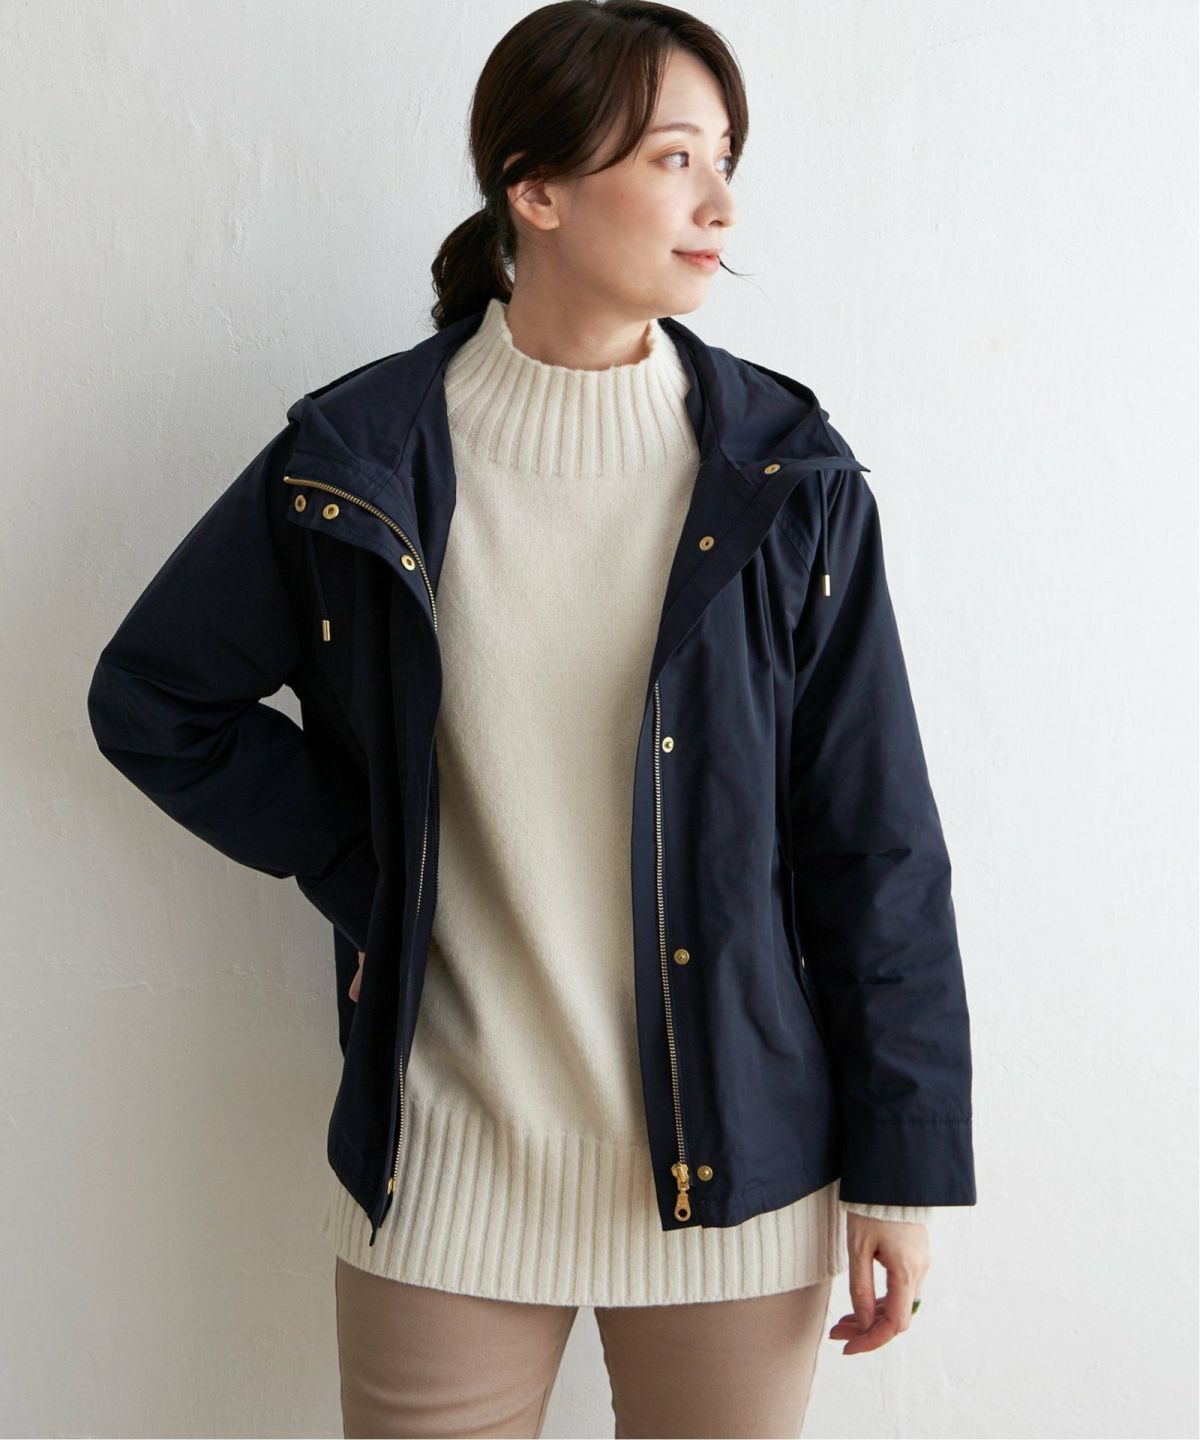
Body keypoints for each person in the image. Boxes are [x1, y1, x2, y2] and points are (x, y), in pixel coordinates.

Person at [87, 3, 976, 1436]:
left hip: (738, 1179)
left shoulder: (789, 479)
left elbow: (873, 843)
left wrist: (904, 1167)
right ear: (537, 189)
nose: (720, 203)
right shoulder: (360, 458)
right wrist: (371, 871)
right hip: (445, 1169)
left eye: (727, 160)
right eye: (675, 158)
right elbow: (156, 698)